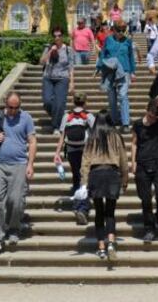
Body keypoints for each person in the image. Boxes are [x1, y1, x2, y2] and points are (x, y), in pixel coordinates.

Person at [0, 91, 37, 255]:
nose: (13, 110)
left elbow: (33, 141)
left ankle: (13, 228)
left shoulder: (26, 118)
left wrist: (30, 164)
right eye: (10, 107)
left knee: (16, 200)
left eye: (16, 107)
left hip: (19, 165)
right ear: (5, 104)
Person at [79, 112, 130, 261]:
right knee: (110, 212)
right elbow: (123, 160)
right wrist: (125, 179)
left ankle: (101, 247)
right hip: (112, 174)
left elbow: (85, 161)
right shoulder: (116, 137)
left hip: (96, 174)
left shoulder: (91, 138)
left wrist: (84, 182)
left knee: (99, 212)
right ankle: (111, 243)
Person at [132, 97, 158, 242]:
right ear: (146, 111)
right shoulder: (137, 124)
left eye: (155, 117)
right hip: (142, 164)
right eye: (150, 116)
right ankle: (149, 228)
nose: (152, 119)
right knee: (146, 199)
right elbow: (134, 143)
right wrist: (133, 162)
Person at [54, 92, 96, 225]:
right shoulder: (89, 116)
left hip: (71, 150)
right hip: (85, 150)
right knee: (85, 177)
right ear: (85, 102)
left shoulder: (67, 115)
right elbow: (96, 135)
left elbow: (62, 136)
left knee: (76, 176)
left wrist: (57, 152)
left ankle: (78, 202)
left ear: (73, 102)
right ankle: (82, 207)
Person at [96, 23, 136, 131]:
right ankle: (114, 120)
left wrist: (133, 71)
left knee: (123, 96)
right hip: (109, 72)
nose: (121, 33)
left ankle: (125, 123)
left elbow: (131, 57)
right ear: (114, 30)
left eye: (123, 30)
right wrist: (98, 67)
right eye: (119, 30)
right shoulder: (108, 40)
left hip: (124, 71)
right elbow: (103, 54)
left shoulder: (128, 41)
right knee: (112, 98)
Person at [39, 27, 74, 132]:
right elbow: (41, 62)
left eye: (59, 35)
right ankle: (59, 117)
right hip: (48, 78)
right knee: (47, 102)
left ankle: (56, 126)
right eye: (55, 36)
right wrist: (50, 51)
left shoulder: (68, 50)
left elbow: (71, 67)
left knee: (59, 103)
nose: (57, 38)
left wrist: (72, 82)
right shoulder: (48, 47)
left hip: (62, 79)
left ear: (62, 37)